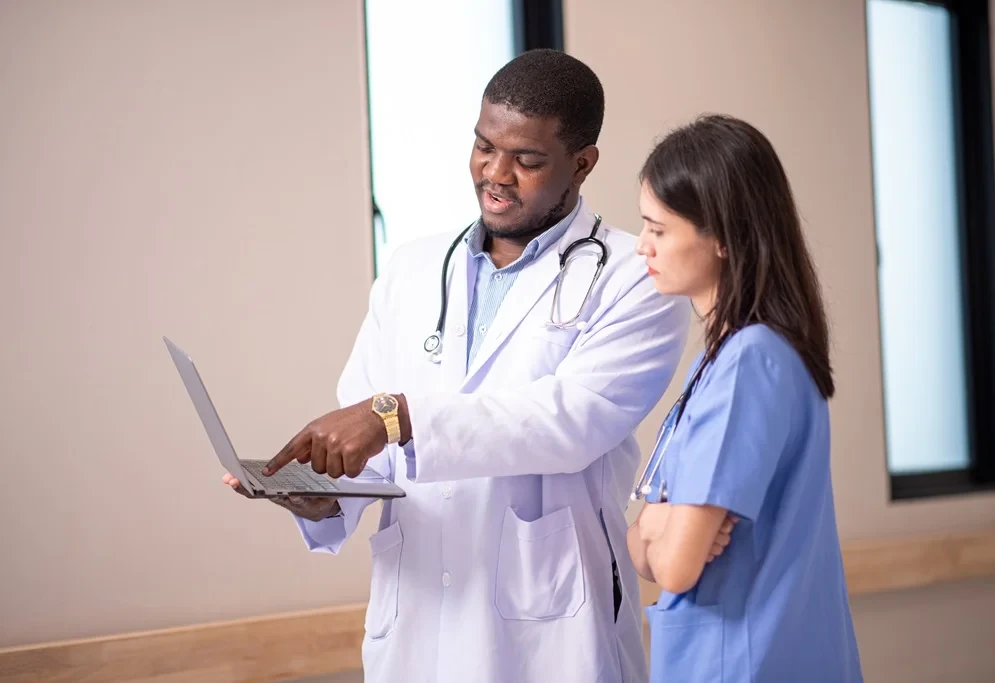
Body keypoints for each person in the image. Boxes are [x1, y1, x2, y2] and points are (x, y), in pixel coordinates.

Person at [224, 51, 734, 682]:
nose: (496, 173)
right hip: (414, 626)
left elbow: (570, 422)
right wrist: (322, 498)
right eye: (483, 146)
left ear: (582, 162)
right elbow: (365, 436)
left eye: (527, 160)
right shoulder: (411, 271)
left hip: (550, 633)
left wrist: (398, 418)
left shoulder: (636, 275)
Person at [627, 114, 863, 682]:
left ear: (724, 238)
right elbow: (643, 545)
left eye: (659, 230)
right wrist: (656, 526)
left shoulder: (749, 363)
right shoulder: (727, 360)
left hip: (745, 662)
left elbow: (677, 567)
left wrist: (655, 532)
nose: (642, 247)